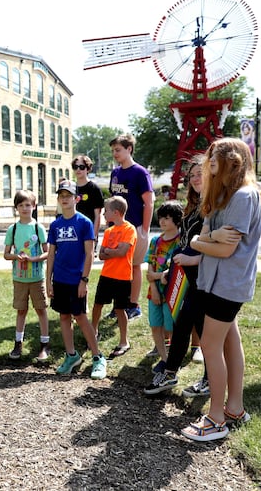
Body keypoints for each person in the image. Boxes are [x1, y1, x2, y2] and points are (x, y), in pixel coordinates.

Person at [180, 138, 261, 442]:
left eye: (213, 160)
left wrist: (202, 241)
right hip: (216, 283)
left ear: (233, 160)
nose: (208, 165)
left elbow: (226, 250)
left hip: (227, 285)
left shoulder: (243, 196)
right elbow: (204, 239)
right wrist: (205, 239)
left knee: (211, 347)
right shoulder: (224, 197)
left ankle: (216, 418)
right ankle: (234, 408)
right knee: (230, 343)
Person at [144, 156, 209, 396]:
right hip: (188, 277)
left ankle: (209, 379)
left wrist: (194, 259)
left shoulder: (214, 206)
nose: (195, 179)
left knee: (205, 331)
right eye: (192, 175)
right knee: (182, 325)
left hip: (207, 279)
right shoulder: (194, 207)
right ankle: (170, 374)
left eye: (200, 173)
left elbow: (223, 247)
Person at [46, 180, 106, 379]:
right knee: (64, 316)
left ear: (76, 199)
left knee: (80, 316)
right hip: (60, 280)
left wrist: (84, 280)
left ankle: (98, 357)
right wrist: (48, 281)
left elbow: (89, 255)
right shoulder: (55, 225)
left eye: (68, 195)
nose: (65, 199)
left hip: (76, 280)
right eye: (61, 195)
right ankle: (71, 355)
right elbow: (52, 255)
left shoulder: (84, 223)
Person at [109, 133, 154, 320]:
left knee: (134, 266)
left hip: (135, 228)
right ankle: (118, 305)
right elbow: (113, 201)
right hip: (116, 228)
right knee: (116, 266)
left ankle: (133, 305)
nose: (115, 154)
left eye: (118, 150)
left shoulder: (140, 173)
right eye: (113, 151)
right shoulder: (115, 173)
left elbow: (149, 203)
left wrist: (144, 228)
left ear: (129, 149)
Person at [3, 190, 49, 361]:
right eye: (21, 205)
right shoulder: (12, 229)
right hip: (19, 278)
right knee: (21, 310)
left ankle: (45, 344)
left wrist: (33, 259)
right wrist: (17, 257)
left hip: (37, 278)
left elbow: (47, 252)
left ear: (34, 206)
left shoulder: (39, 228)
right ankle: (18, 343)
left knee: (41, 309)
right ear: (16, 208)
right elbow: (6, 254)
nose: (24, 208)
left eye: (28, 205)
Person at [90, 196, 137, 361]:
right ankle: (93, 332)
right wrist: (112, 250)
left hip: (123, 277)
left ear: (116, 212)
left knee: (120, 309)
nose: (103, 214)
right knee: (97, 305)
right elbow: (101, 255)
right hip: (106, 275)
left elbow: (122, 252)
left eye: (106, 211)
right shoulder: (109, 231)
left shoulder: (129, 229)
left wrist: (111, 251)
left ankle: (124, 341)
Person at [143, 200, 183, 373]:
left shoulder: (181, 242)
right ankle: (164, 358)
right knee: (155, 325)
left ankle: (174, 359)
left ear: (177, 219)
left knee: (170, 326)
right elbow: (150, 264)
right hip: (155, 291)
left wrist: (158, 276)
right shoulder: (155, 241)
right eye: (161, 218)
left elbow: (173, 270)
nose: (163, 221)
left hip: (173, 291)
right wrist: (153, 284)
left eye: (167, 218)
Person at [72, 154, 105, 235]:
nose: (78, 169)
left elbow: (97, 215)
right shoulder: (71, 188)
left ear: (88, 169)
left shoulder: (94, 189)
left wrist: (94, 235)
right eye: (75, 167)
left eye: (82, 167)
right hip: (73, 231)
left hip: (88, 232)